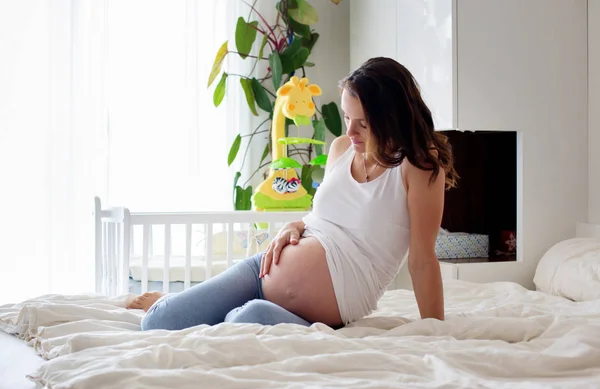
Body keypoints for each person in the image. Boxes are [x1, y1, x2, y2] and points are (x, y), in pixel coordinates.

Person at [128, 57, 458, 330]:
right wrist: (296, 225)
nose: (349, 131)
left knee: (244, 321)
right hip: (262, 270)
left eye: (363, 123)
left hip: (323, 307)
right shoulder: (342, 148)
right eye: (346, 117)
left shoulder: (419, 166)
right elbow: (323, 216)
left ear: (391, 118)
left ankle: (213, 308)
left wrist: (435, 331)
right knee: (157, 322)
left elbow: (422, 259)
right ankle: (178, 304)